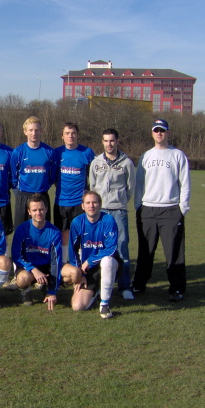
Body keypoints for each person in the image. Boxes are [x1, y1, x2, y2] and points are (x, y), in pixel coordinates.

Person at [132, 119, 190, 302]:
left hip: (171, 210)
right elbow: (139, 182)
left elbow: (185, 183)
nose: (159, 133)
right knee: (145, 252)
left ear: (168, 133)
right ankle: (139, 284)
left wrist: (182, 208)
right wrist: (138, 205)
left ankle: (177, 288)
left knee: (173, 252)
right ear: (152, 133)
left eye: (162, 131)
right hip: (148, 209)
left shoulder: (177, 155)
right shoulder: (146, 156)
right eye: (156, 130)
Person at [6, 116, 55, 289]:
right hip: (23, 196)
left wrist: (41, 190)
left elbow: (52, 176)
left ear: (41, 131)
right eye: (31, 130)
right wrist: (20, 194)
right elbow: (13, 176)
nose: (34, 133)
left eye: (37, 129)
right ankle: (17, 274)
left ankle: (45, 271)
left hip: (41, 195)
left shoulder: (49, 152)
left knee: (42, 233)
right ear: (25, 131)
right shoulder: (18, 152)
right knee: (21, 234)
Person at [89, 128, 136, 300]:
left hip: (119, 211)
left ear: (117, 141)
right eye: (106, 141)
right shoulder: (96, 162)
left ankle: (124, 287)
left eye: (112, 141)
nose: (109, 144)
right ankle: (100, 286)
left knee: (122, 248)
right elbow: (93, 186)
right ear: (102, 142)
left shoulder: (126, 163)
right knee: (99, 248)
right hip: (100, 212)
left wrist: (119, 201)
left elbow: (130, 188)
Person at [60, 191, 119, 319]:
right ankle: (97, 290)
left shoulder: (108, 220)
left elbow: (111, 249)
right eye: (88, 203)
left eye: (94, 202)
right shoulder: (77, 222)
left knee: (107, 261)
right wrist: (79, 274)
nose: (91, 205)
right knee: (77, 306)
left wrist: (89, 261)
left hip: (108, 264)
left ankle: (104, 304)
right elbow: (73, 250)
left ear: (99, 205)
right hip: (88, 270)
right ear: (83, 206)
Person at [53, 122, 95, 264]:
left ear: (77, 135)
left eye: (73, 133)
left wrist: (86, 193)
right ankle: (64, 264)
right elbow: (53, 178)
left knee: (82, 234)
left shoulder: (87, 153)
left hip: (80, 203)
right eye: (67, 133)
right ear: (62, 136)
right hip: (61, 202)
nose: (70, 136)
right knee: (64, 235)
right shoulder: (57, 153)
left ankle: (82, 265)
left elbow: (94, 177)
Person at [12, 194, 62, 310]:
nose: (38, 213)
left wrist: (52, 291)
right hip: (28, 268)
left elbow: (56, 262)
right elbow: (16, 256)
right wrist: (33, 270)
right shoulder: (22, 230)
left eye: (41, 209)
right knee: (22, 279)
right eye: (34, 210)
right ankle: (26, 290)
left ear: (46, 210)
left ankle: (47, 286)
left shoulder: (54, 232)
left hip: (46, 268)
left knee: (72, 273)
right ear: (29, 211)